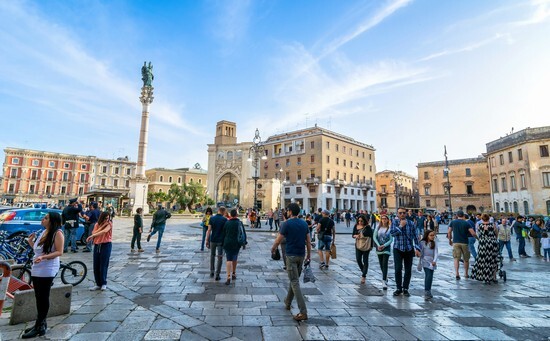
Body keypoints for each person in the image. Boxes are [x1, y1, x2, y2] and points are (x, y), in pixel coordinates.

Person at [22, 212, 64, 338]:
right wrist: (30, 241)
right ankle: (40, 323)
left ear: (52, 221)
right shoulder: (44, 231)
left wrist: (44, 257)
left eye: (46, 218)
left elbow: (59, 252)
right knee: (38, 296)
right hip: (37, 266)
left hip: (48, 268)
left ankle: (40, 325)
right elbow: (38, 250)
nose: (43, 219)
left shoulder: (58, 233)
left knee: (43, 297)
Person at [271, 203, 311, 321]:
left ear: (290, 211)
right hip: (301, 255)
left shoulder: (286, 224)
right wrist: (309, 255)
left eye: (287, 211)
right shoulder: (304, 223)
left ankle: (303, 311)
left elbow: (278, 239)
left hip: (291, 256)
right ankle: (288, 302)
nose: (286, 212)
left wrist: (273, 249)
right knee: (294, 280)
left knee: (294, 282)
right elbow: (308, 241)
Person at [391, 208, 421, 297]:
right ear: (397, 214)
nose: (402, 214)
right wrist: (400, 226)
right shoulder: (394, 222)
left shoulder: (411, 223)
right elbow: (392, 233)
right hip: (398, 248)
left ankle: (405, 288)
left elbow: (416, 236)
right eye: (400, 213)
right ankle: (398, 288)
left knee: (408, 270)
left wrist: (418, 248)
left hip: (408, 248)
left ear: (406, 214)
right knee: (398, 269)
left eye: (404, 213)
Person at [86, 212, 113, 291]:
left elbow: (105, 231)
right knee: (96, 265)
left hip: (106, 245)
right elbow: (94, 232)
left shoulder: (109, 224)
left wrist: (92, 236)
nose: (107, 220)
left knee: (103, 265)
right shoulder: (97, 224)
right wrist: (101, 226)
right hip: (97, 245)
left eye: (108, 218)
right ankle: (98, 284)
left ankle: (103, 283)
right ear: (102, 218)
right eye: (105, 218)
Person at [448, 210, 477, 280]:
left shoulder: (453, 222)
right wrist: (478, 238)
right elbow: (473, 233)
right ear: (463, 216)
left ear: (457, 215)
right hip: (464, 242)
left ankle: (457, 273)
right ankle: (466, 273)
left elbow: (449, 232)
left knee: (456, 258)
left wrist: (450, 240)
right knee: (466, 259)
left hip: (456, 242)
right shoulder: (466, 223)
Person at [472, 213, 500, 284]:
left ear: (482, 219)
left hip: (483, 244)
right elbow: (496, 233)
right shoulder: (493, 225)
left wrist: (480, 239)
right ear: (489, 218)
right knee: (493, 260)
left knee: (483, 260)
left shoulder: (479, 225)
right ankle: (494, 277)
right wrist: (493, 239)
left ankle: (485, 277)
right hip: (492, 244)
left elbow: (478, 234)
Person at [221, 209, 246, 285]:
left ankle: (228, 277)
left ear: (231, 215)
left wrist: (222, 243)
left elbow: (223, 233)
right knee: (235, 258)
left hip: (227, 242)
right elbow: (243, 234)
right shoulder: (239, 223)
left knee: (228, 259)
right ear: (237, 215)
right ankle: (234, 273)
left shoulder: (227, 223)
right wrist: (244, 243)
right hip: (236, 243)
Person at [206, 206, 228, 280]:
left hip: (213, 240)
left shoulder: (212, 218)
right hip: (221, 241)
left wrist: (206, 240)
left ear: (218, 211)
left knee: (212, 255)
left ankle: (212, 271)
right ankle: (217, 274)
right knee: (220, 257)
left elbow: (209, 230)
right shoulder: (225, 220)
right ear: (224, 212)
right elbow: (226, 231)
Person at [373, 214, 393, 290]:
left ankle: (384, 280)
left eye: (385, 219)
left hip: (386, 248)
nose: (384, 220)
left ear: (388, 220)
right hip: (379, 248)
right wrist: (378, 245)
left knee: (385, 263)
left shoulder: (390, 228)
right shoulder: (377, 228)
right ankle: (385, 276)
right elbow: (374, 237)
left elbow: (391, 240)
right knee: (381, 264)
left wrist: (384, 245)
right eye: (382, 219)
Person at [352, 215, 373, 284]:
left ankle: (363, 276)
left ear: (364, 221)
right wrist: (355, 236)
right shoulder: (356, 226)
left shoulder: (368, 227)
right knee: (358, 259)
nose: (360, 222)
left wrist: (371, 246)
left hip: (366, 245)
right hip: (358, 245)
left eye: (361, 221)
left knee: (365, 260)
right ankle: (364, 271)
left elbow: (371, 237)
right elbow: (353, 235)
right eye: (359, 221)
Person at [419, 229, 438, 300]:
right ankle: (427, 290)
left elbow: (436, 252)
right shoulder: (423, 243)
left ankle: (428, 290)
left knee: (431, 275)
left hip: (432, 261)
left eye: (433, 235)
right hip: (425, 260)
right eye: (431, 235)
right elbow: (421, 252)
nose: (433, 237)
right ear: (427, 236)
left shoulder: (434, 243)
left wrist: (434, 260)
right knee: (428, 274)